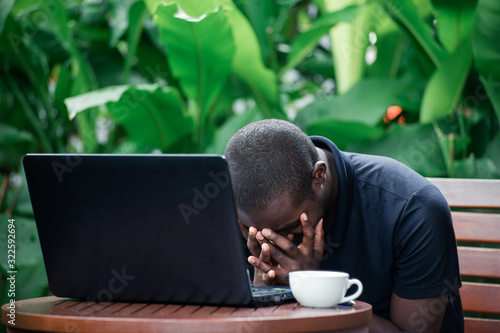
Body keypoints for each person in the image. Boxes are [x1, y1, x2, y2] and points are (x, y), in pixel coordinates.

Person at [224, 119, 464, 332]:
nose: (276, 242)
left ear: (319, 176)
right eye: (260, 235)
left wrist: (314, 292)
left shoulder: (411, 209)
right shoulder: (246, 216)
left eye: (291, 227)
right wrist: (262, 293)